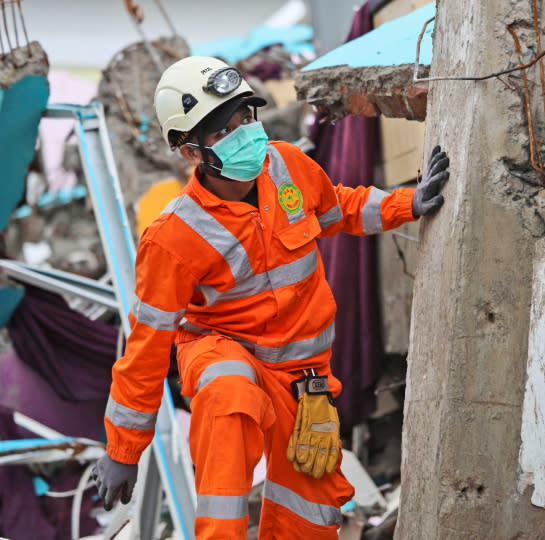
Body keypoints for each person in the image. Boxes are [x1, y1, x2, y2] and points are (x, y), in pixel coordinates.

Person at [91, 56, 449, 539]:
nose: (243, 133)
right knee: (229, 393)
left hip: (305, 379)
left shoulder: (285, 166)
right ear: (190, 151)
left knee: (310, 516)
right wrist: (123, 451)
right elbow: (147, 348)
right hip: (226, 354)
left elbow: (337, 206)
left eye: (244, 117)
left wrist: (407, 202)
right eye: (223, 130)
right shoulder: (173, 237)